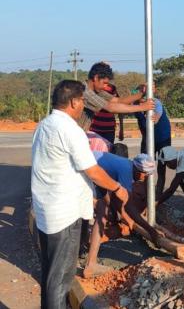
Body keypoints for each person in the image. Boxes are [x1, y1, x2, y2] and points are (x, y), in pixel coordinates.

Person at [31, 80, 129, 309]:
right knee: (61, 278)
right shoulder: (70, 130)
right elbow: (93, 170)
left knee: (51, 272)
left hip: (49, 209)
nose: (84, 105)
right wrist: (117, 188)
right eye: (83, 101)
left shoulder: (44, 125)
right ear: (74, 102)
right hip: (64, 213)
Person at [83, 152, 161, 278]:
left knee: (102, 208)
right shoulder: (126, 171)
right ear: (139, 170)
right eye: (145, 175)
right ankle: (90, 265)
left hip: (91, 169)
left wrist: (126, 218)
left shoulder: (128, 166)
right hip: (87, 171)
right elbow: (127, 205)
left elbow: (114, 196)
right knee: (102, 214)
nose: (144, 179)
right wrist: (150, 230)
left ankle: (83, 248)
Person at [78, 62, 155, 131]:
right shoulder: (84, 91)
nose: (105, 87)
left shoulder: (96, 91)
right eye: (104, 83)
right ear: (96, 78)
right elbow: (110, 107)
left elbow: (119, 101)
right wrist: (142, 107)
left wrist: (142, 93)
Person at [134, 83, 171, 197]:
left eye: (152, 88)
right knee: (144, 167)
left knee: (161, 166)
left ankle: (158, 196)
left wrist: (156, 117)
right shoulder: (136, 106)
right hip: (147, 139)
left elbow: (157, 114)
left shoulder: (156, 102)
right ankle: (145, 195)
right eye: (144, 89)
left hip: (162, 138)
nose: (148, 91)